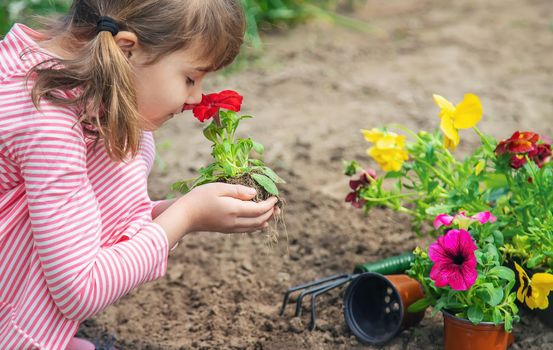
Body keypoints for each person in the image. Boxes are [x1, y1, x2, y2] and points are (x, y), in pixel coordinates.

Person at [0, 1, 280, 349]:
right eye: (190, 78)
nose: (195, 97)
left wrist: (164, 213)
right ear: (125, 50)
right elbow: (80, 290)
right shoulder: (48, 125)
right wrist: (186, 216)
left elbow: (84, 214)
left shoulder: (60, 75)